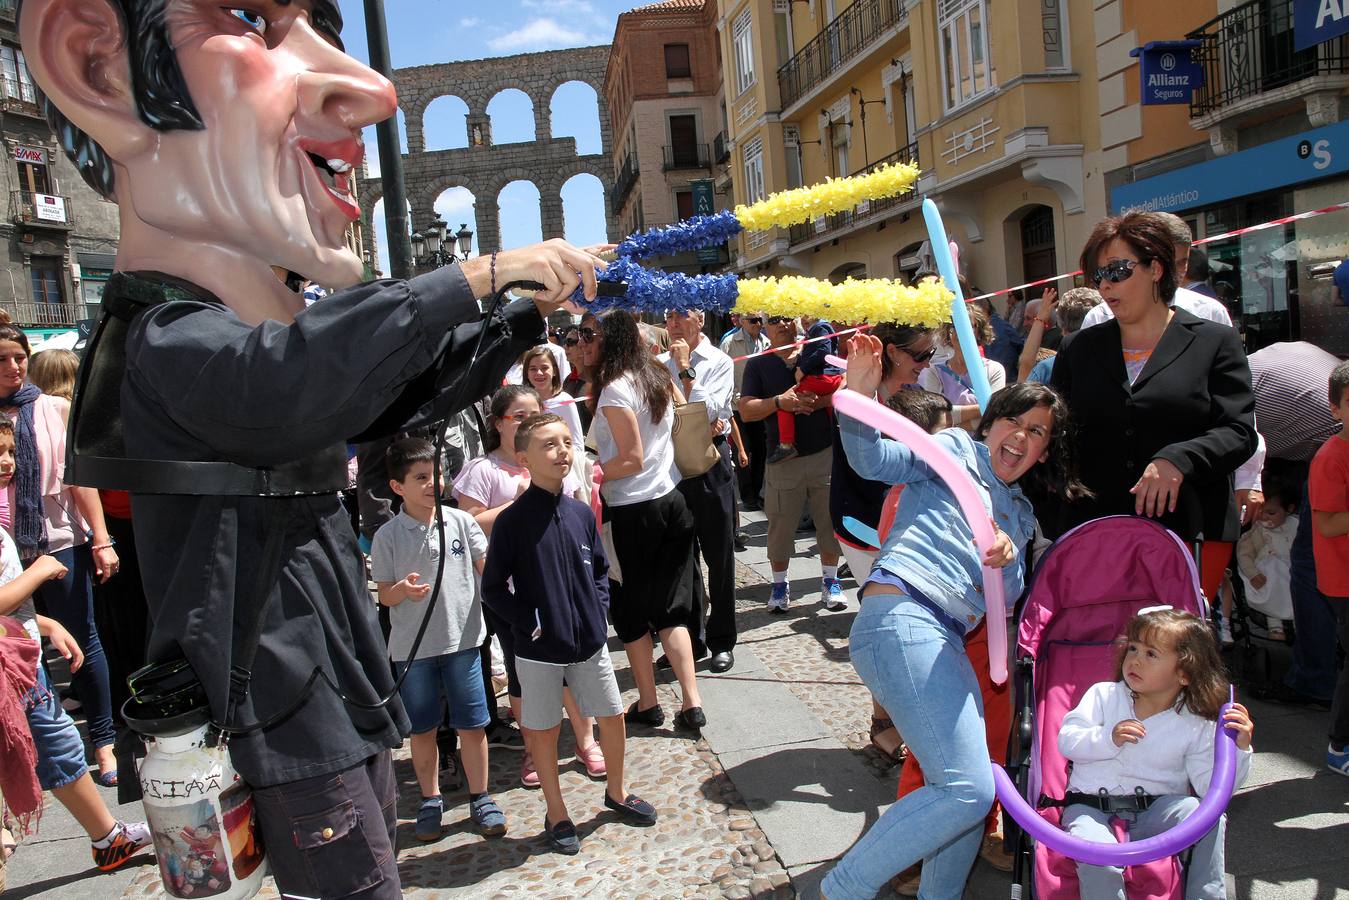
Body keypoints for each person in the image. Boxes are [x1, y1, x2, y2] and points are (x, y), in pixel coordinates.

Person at [20, 2, 611, 894]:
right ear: (92, 65)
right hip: (281, 699)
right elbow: (286, 378)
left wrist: (524, 309)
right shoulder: (165, 336)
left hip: (330, 679)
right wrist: (474, 278)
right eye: (253, 21)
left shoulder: (224, 337)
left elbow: (377, 398)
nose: (372, 92)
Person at [824, 345, 1089, 899]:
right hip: (903, 612)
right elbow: (873, 461)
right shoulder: (951, 450)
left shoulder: (1020, 514)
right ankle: (841, 889)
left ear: (1044, 451)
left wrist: (1008, 557)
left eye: (1036, 432)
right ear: (991, 424)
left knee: (974, 790)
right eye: (1013, 420)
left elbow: (1005, 599)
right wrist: (856, 397)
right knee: (967, 787)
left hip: (947, 634)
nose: (1020, 436)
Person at [482, 413, 658, 854]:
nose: (562, 451)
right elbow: (493, 589)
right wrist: (533, 622)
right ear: (523, 459)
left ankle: (616, 792)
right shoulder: (512, 522)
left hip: (589, 644)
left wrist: (597, 614)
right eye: (548, 445)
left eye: (566, 442)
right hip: (539, 650)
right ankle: (557, 812)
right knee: (542, 730)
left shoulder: (580, 513)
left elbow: (599, 571)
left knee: (612, 716)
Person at [1050, 212, 1257, 586]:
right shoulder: (1077, 348)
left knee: (1173, 643)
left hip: (1189, 527)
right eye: (1098, 276)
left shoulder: (1215, 341)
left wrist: (1178, 459)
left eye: (1117, 271)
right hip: (1098, 532)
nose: (1105, 286)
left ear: (1156, 269)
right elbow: (1058, 437)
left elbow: (1239, 431)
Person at [0, 420, 153, 874]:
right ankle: (107, 837)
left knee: (59, 745)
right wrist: (42, 570)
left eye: (9, 451)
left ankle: (107, 837)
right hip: (13, 672)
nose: (7, 461)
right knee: (57, 746)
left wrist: (44, 623)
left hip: (21, 662)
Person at [454, 385, 599, 785]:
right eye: (518, 416)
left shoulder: (553, 461)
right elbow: (468, 523)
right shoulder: (483, 470)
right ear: (499, 423)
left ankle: (586, 741)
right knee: (522, 674)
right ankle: (535, 751)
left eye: (534, 413)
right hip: (510, 592)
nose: (527, 421)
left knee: (572, 666)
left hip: (560, 585)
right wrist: (518, 503)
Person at [1059, 608, 1254, 898]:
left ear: (1185, 673)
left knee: (1206, 816)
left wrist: (1239, 748)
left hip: (1155, 811)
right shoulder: (1104, 695)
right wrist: (1107, 738)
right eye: (1133, 648)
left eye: (1151, 654)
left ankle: (1207, 895)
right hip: (1090, 807)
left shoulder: (1195, 722)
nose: (1135, 659)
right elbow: (1067, 740)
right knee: (1100, 858)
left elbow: (1210, 787)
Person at [0, 318, 120, 785]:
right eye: (2, 361)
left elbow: (78, 478)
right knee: (21, 643)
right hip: (7, 552)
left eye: (18, 358)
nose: (13, 367)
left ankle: (105, 744)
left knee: (81, 639)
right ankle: (33, 749)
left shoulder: (54, 408)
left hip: (58, 540)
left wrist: (101, 539)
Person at [371, 438, 505, 843]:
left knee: (474, 724)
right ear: (398, 487)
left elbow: (488, 571)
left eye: (436, 475)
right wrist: (402, 589)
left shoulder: (461, 522)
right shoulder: (388, 536)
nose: (433, 483)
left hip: (463, 642)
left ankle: (481, 796)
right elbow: (384, 595)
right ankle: (430, 800)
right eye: (421, 478)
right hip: (414, 651)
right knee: (423, 728)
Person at [590, 310, 705, 731]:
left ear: (610, 342)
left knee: (633, 611)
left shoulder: (615, 389)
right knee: (673, 607)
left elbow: (631, 458)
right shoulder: (656, 377)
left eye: (591, 335)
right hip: (671, 499)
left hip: (633, 509)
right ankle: (692, 701)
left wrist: (593, 471)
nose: (585, 344)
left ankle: (649, 701)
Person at [739, 315, 843, 614]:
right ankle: (780, 585)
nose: (782, 323)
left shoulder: (818, 349)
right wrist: (779, 403)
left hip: (824, 452)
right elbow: (746, 411)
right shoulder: (759, 363)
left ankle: (830, 582)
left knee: (828, 521)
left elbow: (844, 387)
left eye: (787, 316)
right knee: (781, 526)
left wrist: (818, 402)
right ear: (764, 326)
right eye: (774, 319)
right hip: (783, 459)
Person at [661, 309, 738, 672]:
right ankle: (690, 638)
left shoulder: (719, 361)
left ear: (700, 320)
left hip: (710, 461)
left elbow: (711, 412)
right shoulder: (657, 365)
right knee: (679, 558)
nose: (673, 322)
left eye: (681, 315)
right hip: (672, 464)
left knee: (719, 554)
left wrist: (686, 368)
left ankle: (723, 639)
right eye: (669, 315)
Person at [1080, 212, 1232, 329]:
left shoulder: (1211, 312)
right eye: (1100, 274)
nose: (1173, 271)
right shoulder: (1098, 318)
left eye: (1182, 263)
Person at [1312, 360, 1349, 776]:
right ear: (1335, 408)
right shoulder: (1331, 456)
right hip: (1343, 579)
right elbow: (1328, 522)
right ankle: (1339, 745)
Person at [918, 303, 1007, 430]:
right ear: (948, 332)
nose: (961, 331)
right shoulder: (935, 372)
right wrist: (984, 408)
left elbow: (996, 414)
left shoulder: (994, 370)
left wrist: (950, 422)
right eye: (955, 326)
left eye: (969, 326)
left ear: (979, 332)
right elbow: (934, 415)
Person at [768, 316, 843, 464]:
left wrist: (802, 369)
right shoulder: (821, 328)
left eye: (809, 313)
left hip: (821, 377)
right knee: (831, 409)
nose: (805, 318)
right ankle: (837, 434)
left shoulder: (820, 327)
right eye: (802, 314)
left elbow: (824, 350)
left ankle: (786, 445)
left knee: (786, 402)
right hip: (831, 378)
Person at [1235, 480, 1298, 640]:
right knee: (1272, 571)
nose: (1264, 517)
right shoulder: (1257, 530)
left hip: (1294, 572)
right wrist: (1252, 574)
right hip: (1268, 576)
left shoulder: (1296, 525)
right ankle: (1275, 626)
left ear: (1289, 510)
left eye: (1271, 513)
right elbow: (1245, 554)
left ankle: (1301, 625)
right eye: (1261, 512)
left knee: (1300, 590)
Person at [721, 311, 770, 511]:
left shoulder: (766, 342)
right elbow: (723, 372)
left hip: (759, 405)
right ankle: (747, 495)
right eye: (753, 320)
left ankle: (757, 492)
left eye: (760, 320)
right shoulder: (730, 342)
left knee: (760, 451)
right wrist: (731, 398)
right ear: (742, 322)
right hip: (737, 406)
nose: (757, 324)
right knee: (742, 451)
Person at [1018, 287, 1102, 383]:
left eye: (1028, 318)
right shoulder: (1116, 361)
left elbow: (1024, 376)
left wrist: (1040, 319)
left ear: (1063, 329)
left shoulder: (1049, 368)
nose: (1024, 323)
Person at [520, 346, 584, 443]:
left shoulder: (565, 401)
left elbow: (577, 444)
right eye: (533, 369)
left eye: (544, 368)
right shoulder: (521, 402)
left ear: (554, 371)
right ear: (527, 373)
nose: (539, 373)